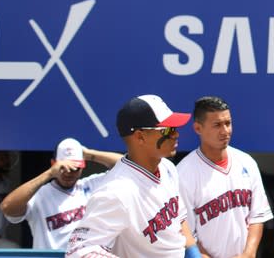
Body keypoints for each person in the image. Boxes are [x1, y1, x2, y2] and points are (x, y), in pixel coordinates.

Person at [65, 94, 201, 258]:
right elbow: (78, 251)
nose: (175, 134)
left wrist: (193, 253)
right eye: (167, 129)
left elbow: (178, 220)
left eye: (175, 128)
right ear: (140, 136)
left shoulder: (167, 167)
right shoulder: (117, 191)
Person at [178, 96, 273, 258]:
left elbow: (258, 216)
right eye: (217, 125)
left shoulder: (246, 162)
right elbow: (186, 235)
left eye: (228, 123)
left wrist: (248, 253)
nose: (225, 131)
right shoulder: (183, 173)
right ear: (198, 128)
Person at [0, 139, 121, 250]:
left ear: (83, 166)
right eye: (63, 168)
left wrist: (88, 154)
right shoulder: (40, 194)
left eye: (75, 168)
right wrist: (49, 174)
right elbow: (7, 207)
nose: (68, 173)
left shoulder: (90, 184)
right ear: (53, 164)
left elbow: (127, 166)